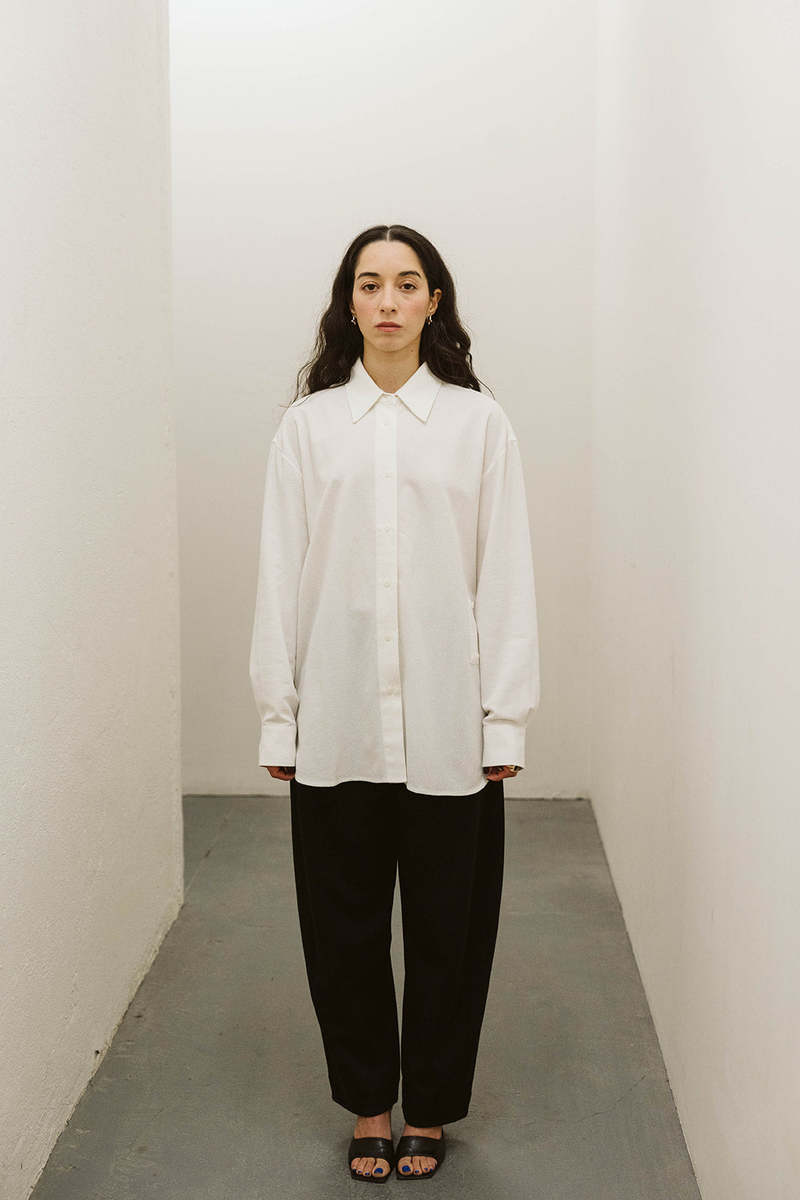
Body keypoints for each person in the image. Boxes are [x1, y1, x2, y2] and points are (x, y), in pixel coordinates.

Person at [248, 224, 540, 1181]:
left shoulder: (477, 424)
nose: (387, 302)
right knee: (343, 930)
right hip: (337, 722)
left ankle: (434, 1108)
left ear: (433, 301)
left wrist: (504, 716)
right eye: (369, 284)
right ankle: (370, 1103)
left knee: (451, 934)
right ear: (349, 301)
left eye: (406, 284)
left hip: (450, 726)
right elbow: (280, 575)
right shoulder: (308, 429)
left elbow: (505, 575)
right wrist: (280, 711)